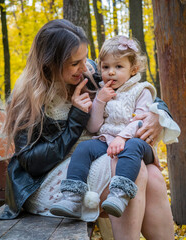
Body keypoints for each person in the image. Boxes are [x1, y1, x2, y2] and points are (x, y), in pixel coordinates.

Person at [0, 19, 179, 240]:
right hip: (48, 184)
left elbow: (133, 89)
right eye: (75, 63)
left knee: (152, 175)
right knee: (127, 163)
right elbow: (32, 163)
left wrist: (157, 114)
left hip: (90, 159)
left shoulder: (88, 72)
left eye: (85, 59)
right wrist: (76, 118)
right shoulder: (29, 98)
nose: (86, 67)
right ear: (50, 64)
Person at [49, 35, 180, 219]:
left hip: (137, 142)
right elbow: (95, 127)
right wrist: (100, 101)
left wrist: (123, 137)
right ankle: (72, 197)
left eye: (118, 67)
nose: (111, 72)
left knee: (132, 148)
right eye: (106, 67)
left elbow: (140, 120)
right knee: (84, 148)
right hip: (107, 140)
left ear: (133, 69)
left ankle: (119, 194)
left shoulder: (142, 90)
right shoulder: (101, 90)